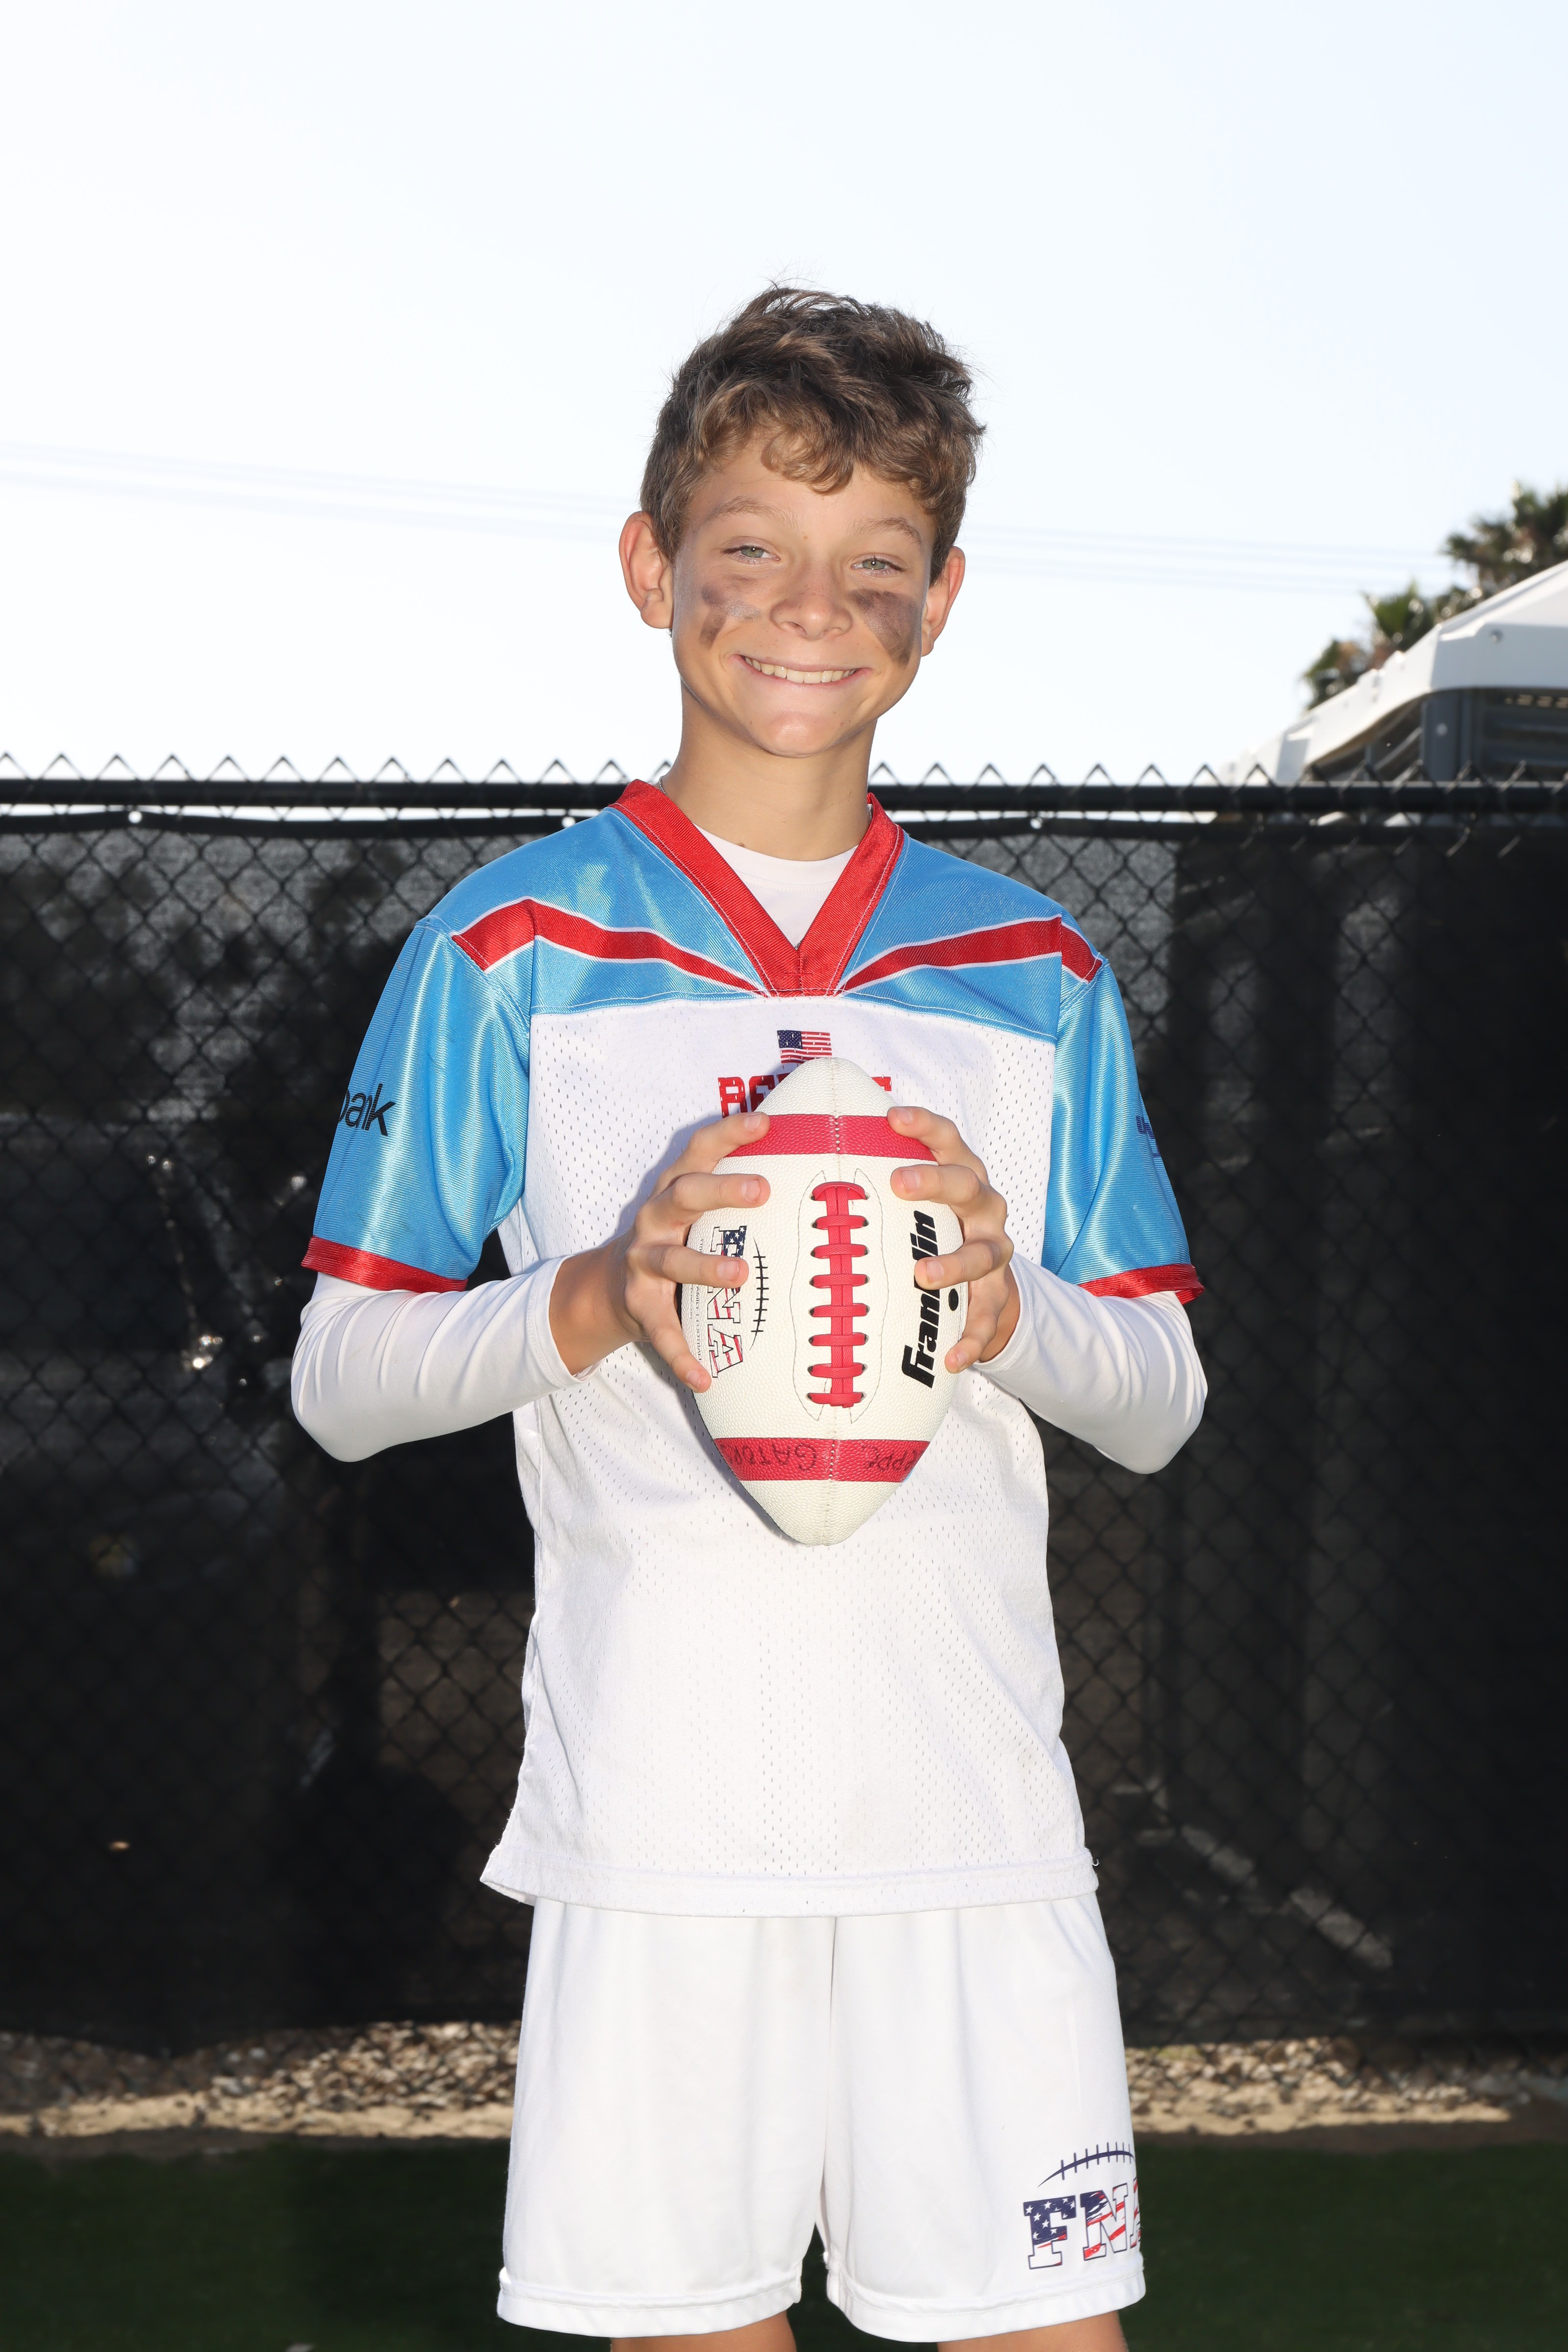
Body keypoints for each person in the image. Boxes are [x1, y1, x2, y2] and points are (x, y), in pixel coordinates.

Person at [292, 287, 1205, 2352]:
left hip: (970, 1811)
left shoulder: (1033, 969)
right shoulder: (508, 948)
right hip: (663, 1818)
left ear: (941, 602)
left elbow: (1157, 1398)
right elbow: (342, 1382)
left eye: (877, 562)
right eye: (754, 548)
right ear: (652, 566)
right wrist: (597, 1295)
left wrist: (1008, 1315)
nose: (814, 608)